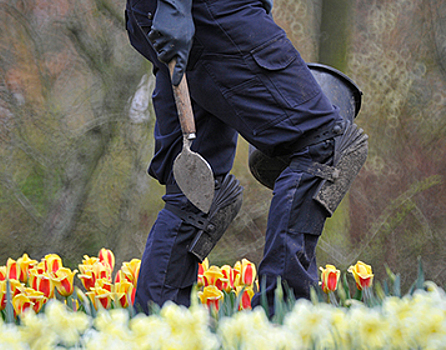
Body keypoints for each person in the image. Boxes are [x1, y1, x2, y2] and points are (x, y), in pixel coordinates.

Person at [125, 0, 366, 315]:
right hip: (205, 9)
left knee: (199, 193)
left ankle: (156, 332)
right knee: (327, 145)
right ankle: (280, 322)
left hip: (173, 13)